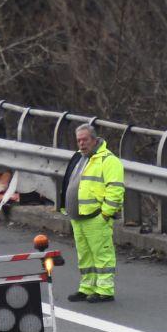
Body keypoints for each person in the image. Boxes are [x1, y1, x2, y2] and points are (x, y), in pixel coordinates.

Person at [58, 123, 125, 303]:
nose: (81, 144)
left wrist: (105, 214)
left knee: (101, 255)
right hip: (78, 217)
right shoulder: (79, 158)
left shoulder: (108, 160)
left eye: (85, 140)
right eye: (78, 140)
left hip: (96, 217)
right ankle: (87, 288)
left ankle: (104, 290)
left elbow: (115, 190)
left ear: (94, 139)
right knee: (85, 256)